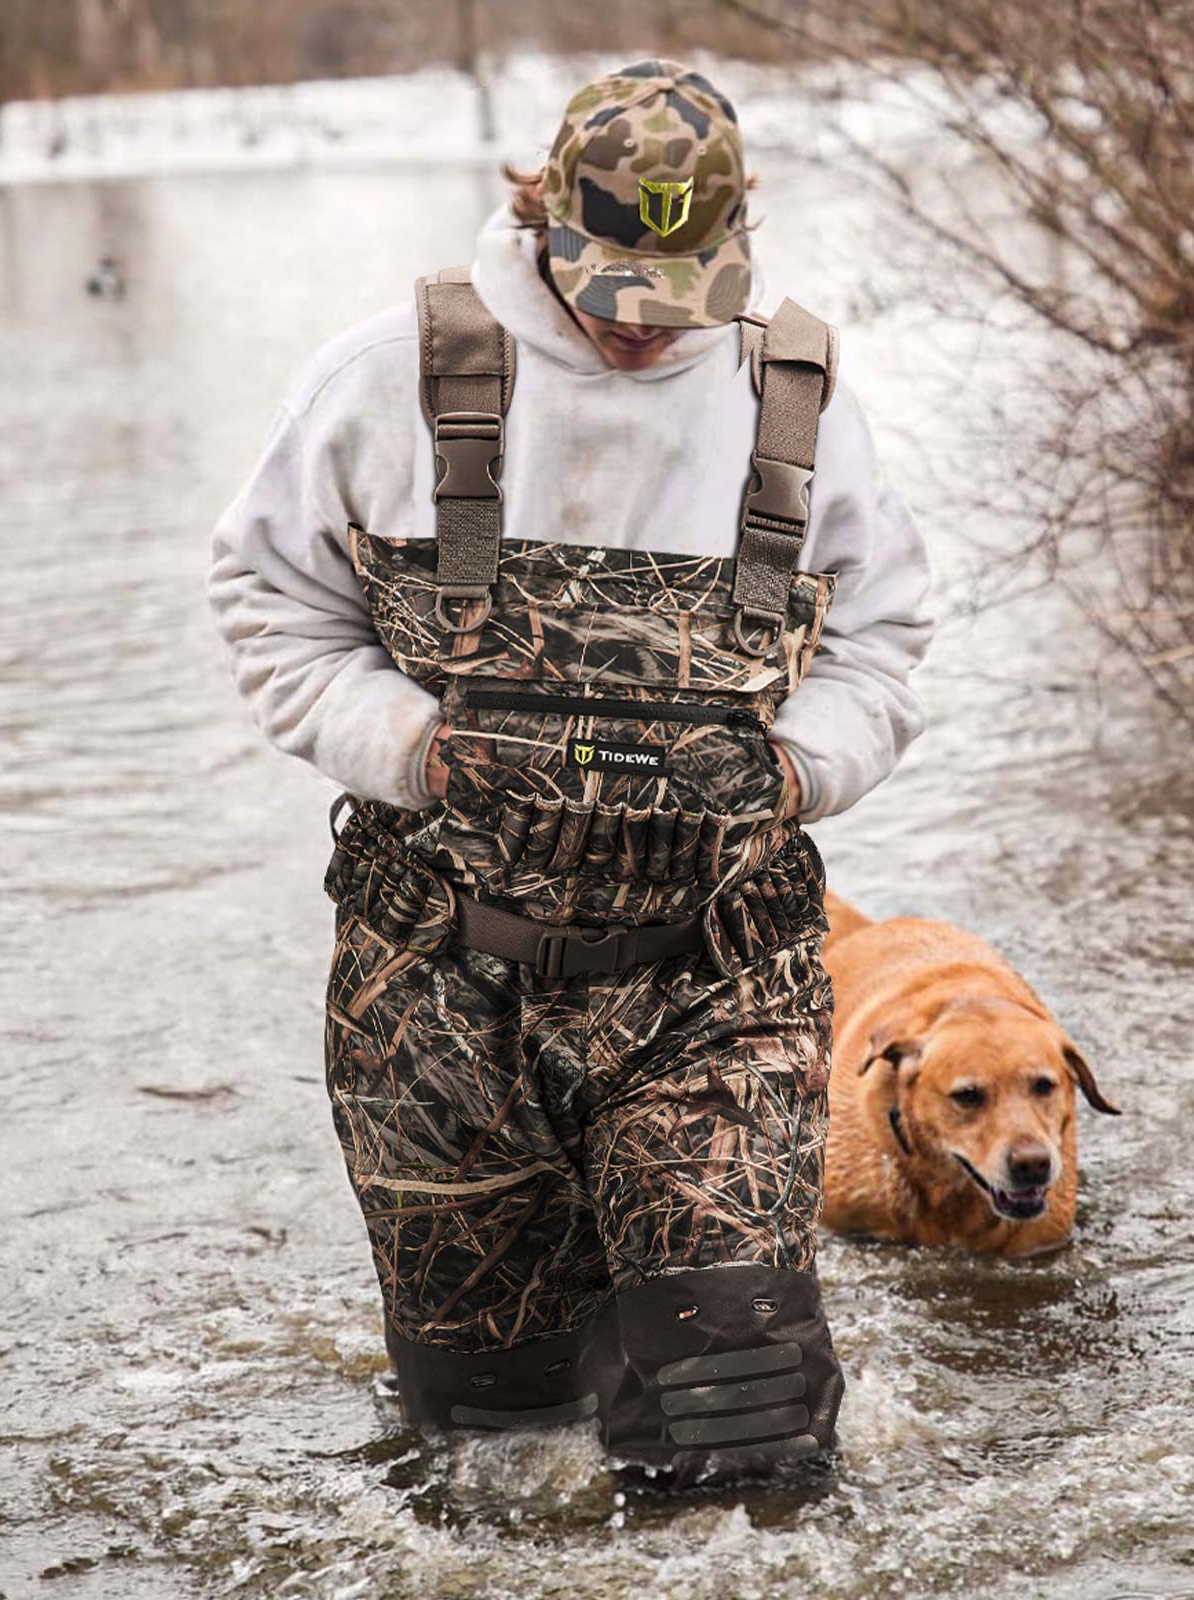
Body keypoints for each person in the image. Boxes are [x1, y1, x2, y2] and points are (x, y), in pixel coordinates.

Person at [207, 57, 933, 1487]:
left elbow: (887, 645)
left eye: (675, 298)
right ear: (538, 213)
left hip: (714, 974)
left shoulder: (795, 397)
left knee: (746, 1440)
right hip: (433, 986)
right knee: (494, 1458)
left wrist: (804, 772)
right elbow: (267, 606)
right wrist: (407, 745)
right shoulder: (384, 381)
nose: (636, 337)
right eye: (610, 292)